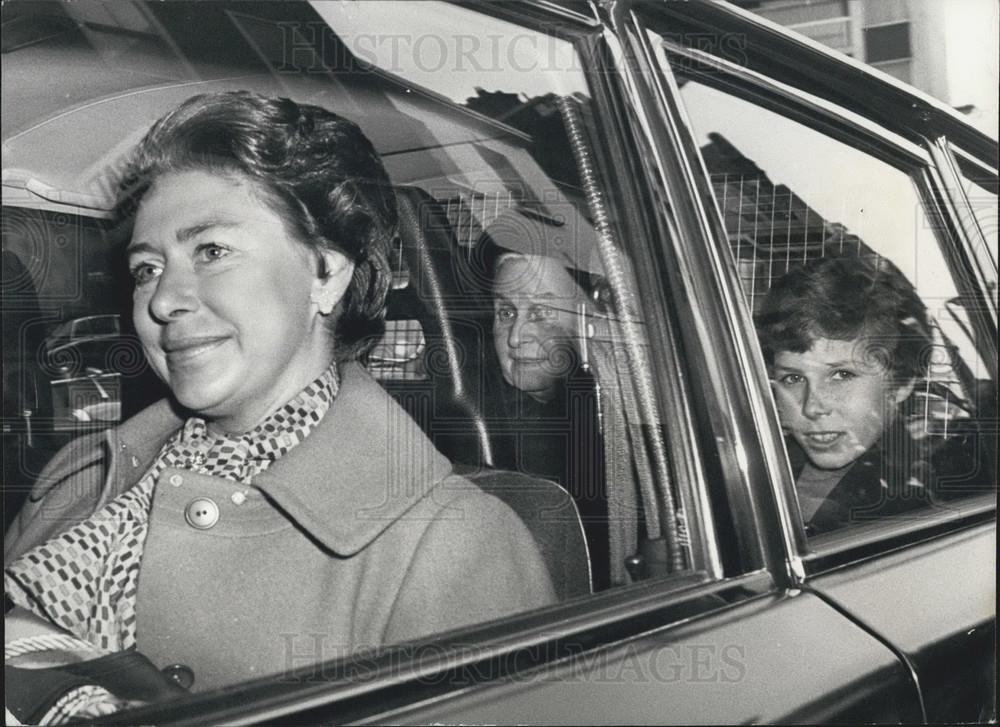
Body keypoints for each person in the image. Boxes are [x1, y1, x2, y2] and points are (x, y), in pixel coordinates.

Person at [4, 91, 556, 720]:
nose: (162, 300)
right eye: (147, 269)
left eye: (211, 251)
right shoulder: (76, 476)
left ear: (327, 273)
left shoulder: (456, 549)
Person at [755, 254, 987, 536]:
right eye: (792, 378)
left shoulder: (909, 510)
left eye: (841, 375)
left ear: (900, 385)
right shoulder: (760, 461)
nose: (812, 407)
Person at [482, 210, 611, 590]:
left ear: (589, 324)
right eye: (506, 312)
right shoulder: (479, 427)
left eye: (540, 312)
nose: (516, 335)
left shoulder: (620, 431)